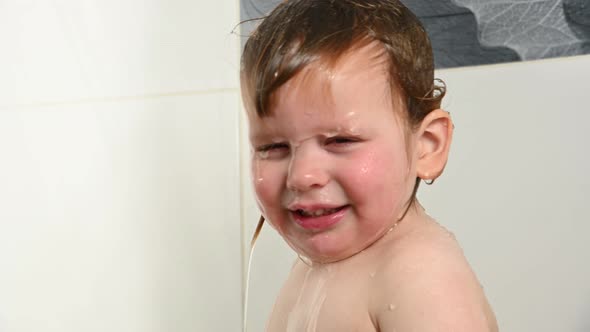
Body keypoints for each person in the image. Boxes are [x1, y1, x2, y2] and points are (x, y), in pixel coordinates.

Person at [240, 0, 498, 331]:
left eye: (340, 141)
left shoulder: (419, 275)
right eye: (272, 147)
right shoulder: (314, 268)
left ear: (426, 146)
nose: (302, 176)